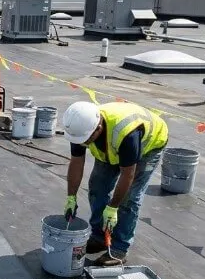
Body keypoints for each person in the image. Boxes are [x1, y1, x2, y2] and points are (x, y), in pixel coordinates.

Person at [61, 101, 168, 266]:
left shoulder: (126, 133)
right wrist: (71, 197)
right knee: (97, 187)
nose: (84, 143)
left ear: (98, 128)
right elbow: (76, 161)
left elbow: (128, 174)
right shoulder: (80, 129)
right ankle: (100, 237)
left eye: (87, 140)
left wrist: (112, 208)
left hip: (148, 146)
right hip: (111, 148)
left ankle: (119, 248)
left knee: (130, 198)